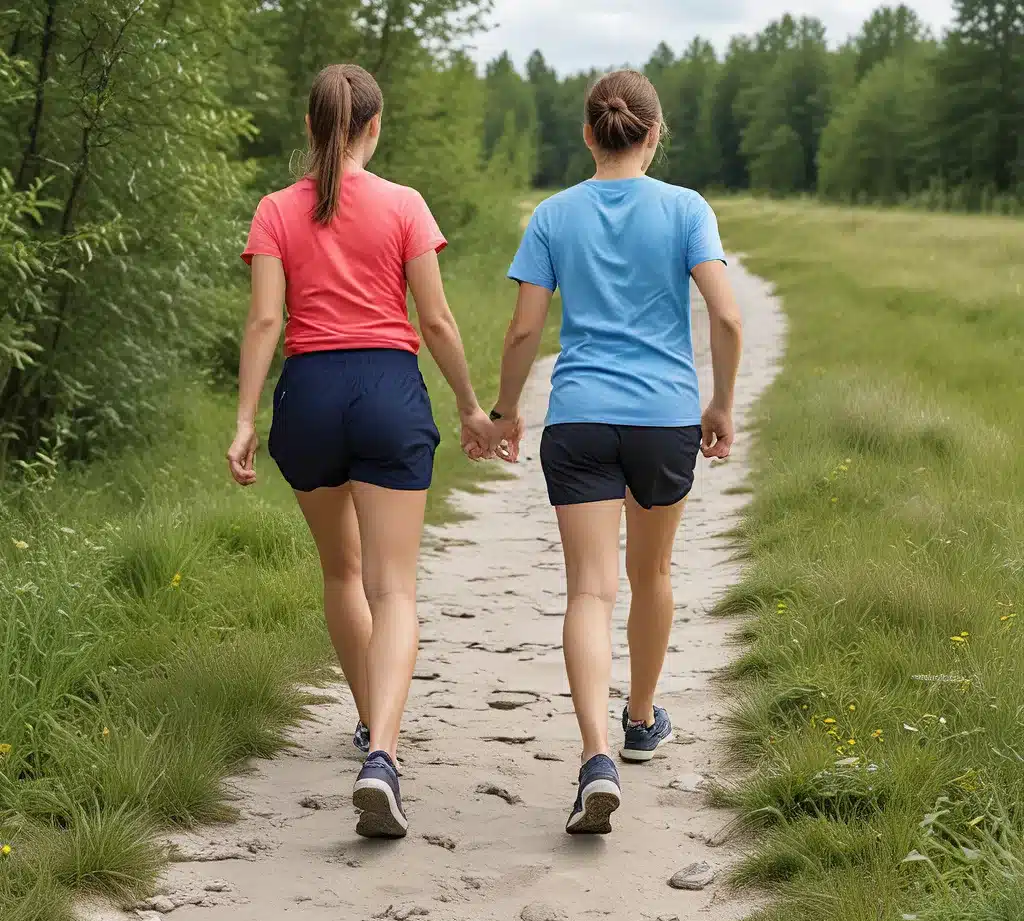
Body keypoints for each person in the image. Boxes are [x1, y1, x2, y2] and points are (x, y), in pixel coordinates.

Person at [227, 64, 501, 839]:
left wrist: (246, 419)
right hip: (387, 391)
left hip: (308, 398)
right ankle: (382, 751)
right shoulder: (405, 205)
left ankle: (364, 720)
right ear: (373, 128)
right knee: (395, 589)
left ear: (312, 128)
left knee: (341, 571)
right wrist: (472, 409)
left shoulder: (276, 210)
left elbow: (263, 325)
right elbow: (438, 321)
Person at [489, 69, 744, 835]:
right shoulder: (686, 209)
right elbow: (726, 319)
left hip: (579, 420)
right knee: (652, 573)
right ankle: (639, 720)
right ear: (655, 133)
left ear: (588, 133)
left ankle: (595, 757)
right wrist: (721, 403)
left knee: (589, 593)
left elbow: (525, 333)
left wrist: (505, 411)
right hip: (665, 421)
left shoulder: (553, 214)